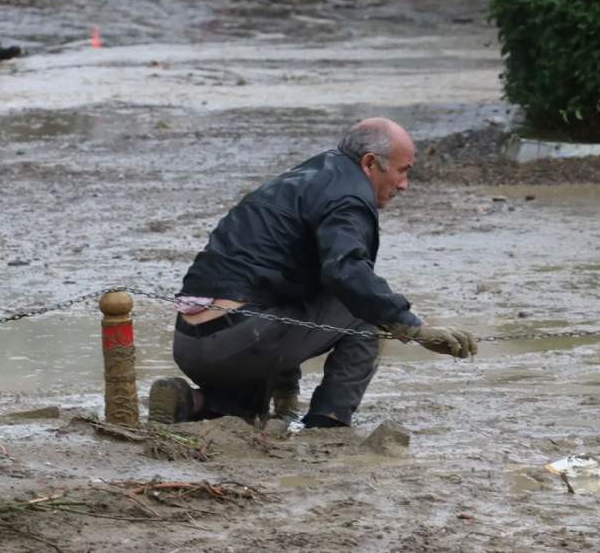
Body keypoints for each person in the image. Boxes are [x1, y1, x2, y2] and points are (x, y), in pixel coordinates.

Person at [149, 117, 478, 429]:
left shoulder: (304, 178)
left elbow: (288, 282)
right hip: (241, 339)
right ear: (369, 163)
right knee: (364, 311)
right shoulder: (348, 196)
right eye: (403, 171)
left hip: (191, 342)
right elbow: (347, 274)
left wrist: (286, 390)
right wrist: (413, 329)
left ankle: (190, 401)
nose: (404, 185)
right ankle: (327, 423)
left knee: (245, 415)